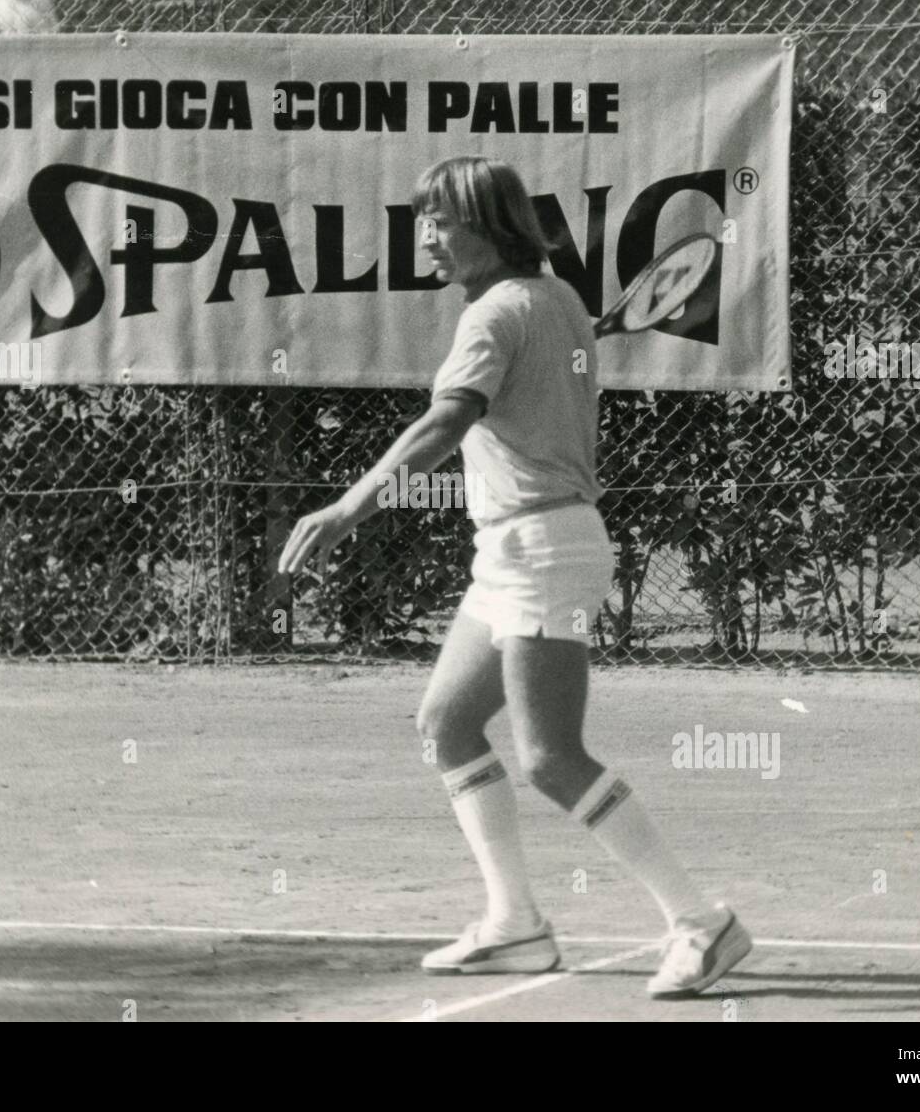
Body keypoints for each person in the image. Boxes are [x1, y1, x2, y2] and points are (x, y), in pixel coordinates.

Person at [278, 156, 751, 997]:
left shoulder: (497, 314)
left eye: (442, 224)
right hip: (516, 548)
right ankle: (516, 925)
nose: (426, 239)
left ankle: (699, 921)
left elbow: (444, 421)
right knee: (448, 724)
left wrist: (346, 507)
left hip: (542, 548)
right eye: (421, 222)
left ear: (490, 230)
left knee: (549, 756)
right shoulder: (558, 299)